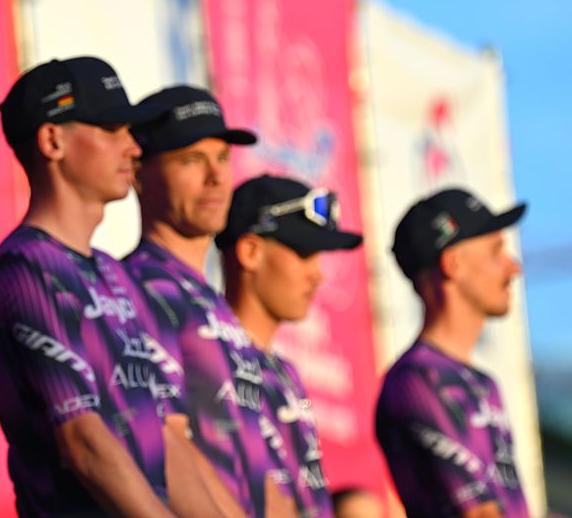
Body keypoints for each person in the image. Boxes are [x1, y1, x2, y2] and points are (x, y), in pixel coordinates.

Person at [0, 58, 223, 517]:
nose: (132, 148)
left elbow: (169, 436)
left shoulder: (116, 273)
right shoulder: (28, 268)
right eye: (112, 129)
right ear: (53, 140)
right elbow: (84, 443)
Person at [125, 85, 300, 518]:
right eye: (191, 160)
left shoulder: (214, 303)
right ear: (136, 171)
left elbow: (258, 464)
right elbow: (169, 444)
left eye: (222, 159)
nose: (217, 177)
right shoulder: (136, 286)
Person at [216, 175, 363, 518]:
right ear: (250, 251)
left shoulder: (286, 373)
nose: (318, 274)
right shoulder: (209, 355)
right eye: (304, 253)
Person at [376, 188, 529, 518]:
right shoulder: (417, 379)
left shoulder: (483, 383)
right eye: (495, 252)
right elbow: (478, 513)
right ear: (453, 264)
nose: (513, 268)